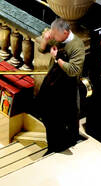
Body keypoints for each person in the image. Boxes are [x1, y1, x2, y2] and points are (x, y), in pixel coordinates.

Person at [34, 18, 85, 154]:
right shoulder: (58, 38)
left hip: (67, 87)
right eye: (53, 34)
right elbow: (41, 49)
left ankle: (64, 143)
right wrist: (45, 39)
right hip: (54, 84)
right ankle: (54, 145)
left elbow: (74, 70)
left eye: (56, 35)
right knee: (49, 115)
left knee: (64, 117)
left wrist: (57, 58)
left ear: (66, 32)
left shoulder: (77, 45)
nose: (54, 38)